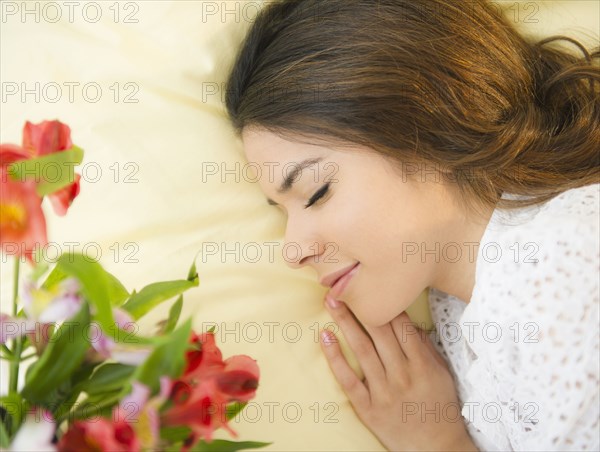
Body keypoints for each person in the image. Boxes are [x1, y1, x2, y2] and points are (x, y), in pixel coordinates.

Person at [224, 0, 600, 450]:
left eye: (317, 192)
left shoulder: (568, 266)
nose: (292, 250)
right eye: (281, 211)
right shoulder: (458, 302)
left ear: (429, 124)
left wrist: (439, 444)